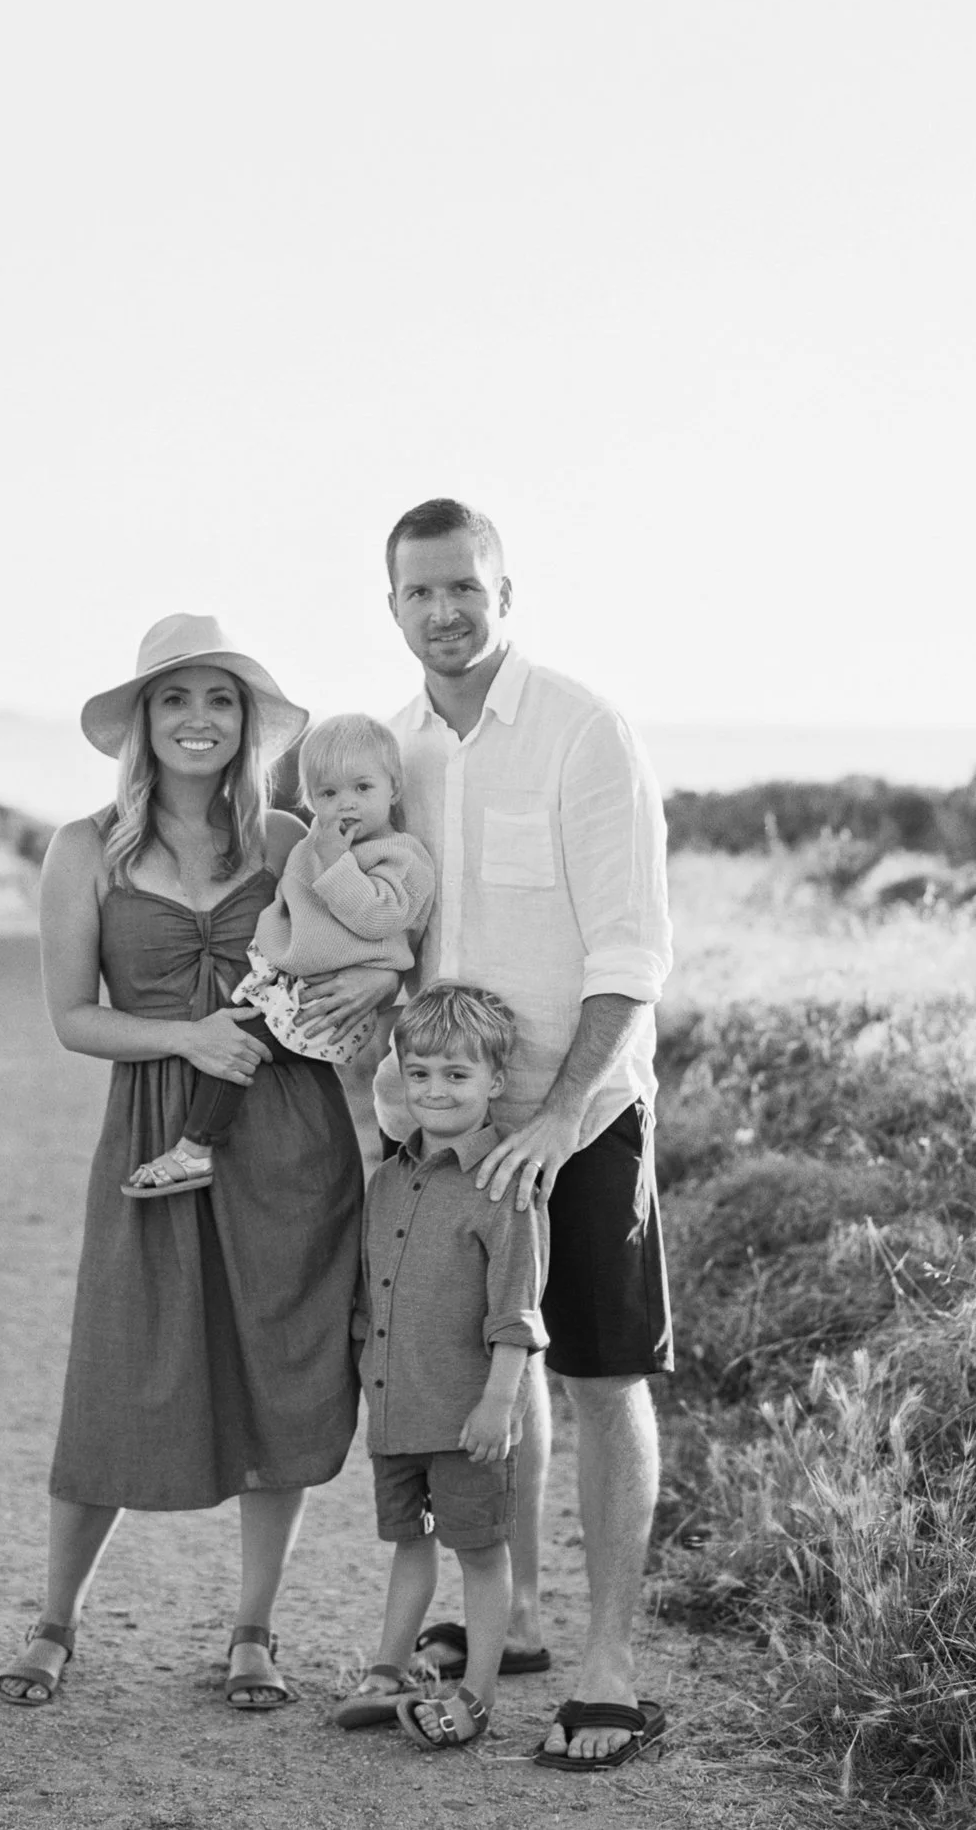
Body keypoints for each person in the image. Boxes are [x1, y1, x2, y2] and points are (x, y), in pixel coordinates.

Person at [0, 614, 364, 1714]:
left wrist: (364, 1003)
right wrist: (186, 1036)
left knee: (281, 1368)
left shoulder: (293, 842)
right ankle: (55, 1619)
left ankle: (254, 1629)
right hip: (158, 1126)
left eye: (219, 700)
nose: (198, 720)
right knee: (121, 1363)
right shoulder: (83, 847)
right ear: (143, 723)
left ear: (246, 722)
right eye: (175, 699)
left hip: (289, 1133)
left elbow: (361, 965)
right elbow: (72, 1019)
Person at [371, 498, 674, 1773]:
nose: (445, 611)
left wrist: (559, 1115)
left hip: (582, 1112)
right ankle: (530, 1618)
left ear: (506, 592)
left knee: (600, 1378)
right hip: (453, 1124)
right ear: (391, 605)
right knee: (500, 1368)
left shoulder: (582, 730)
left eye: (465, 588)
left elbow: (632, 950)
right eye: (420, 592)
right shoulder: (391, 752)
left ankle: (607, 1662)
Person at [332, 982, 547, 1752]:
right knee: (408, 1544)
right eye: (418, 1072)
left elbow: (516, 1312)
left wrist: (499, 1401)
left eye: (456, 1075)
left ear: (494, 1080)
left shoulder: (506, 1185)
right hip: (396, 1411)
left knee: (480, 1555)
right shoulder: (388, 1179)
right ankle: (388, 1670)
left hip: (465, 1416)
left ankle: (477, 1695)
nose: (434, 1090)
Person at [122, 713, 434, 1198]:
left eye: (362, 787)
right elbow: (294, 906)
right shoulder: (317, 845)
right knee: (236, 1034)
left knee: (237, 1042)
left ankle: (194, 1148)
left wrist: (335, 864)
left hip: (332, 1007)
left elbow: (378, 918)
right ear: (310, 800)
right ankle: (199, 1144)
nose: (346, 803)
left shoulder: (400, 855)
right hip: (295, 986)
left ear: (394, 789)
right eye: (328, 794)